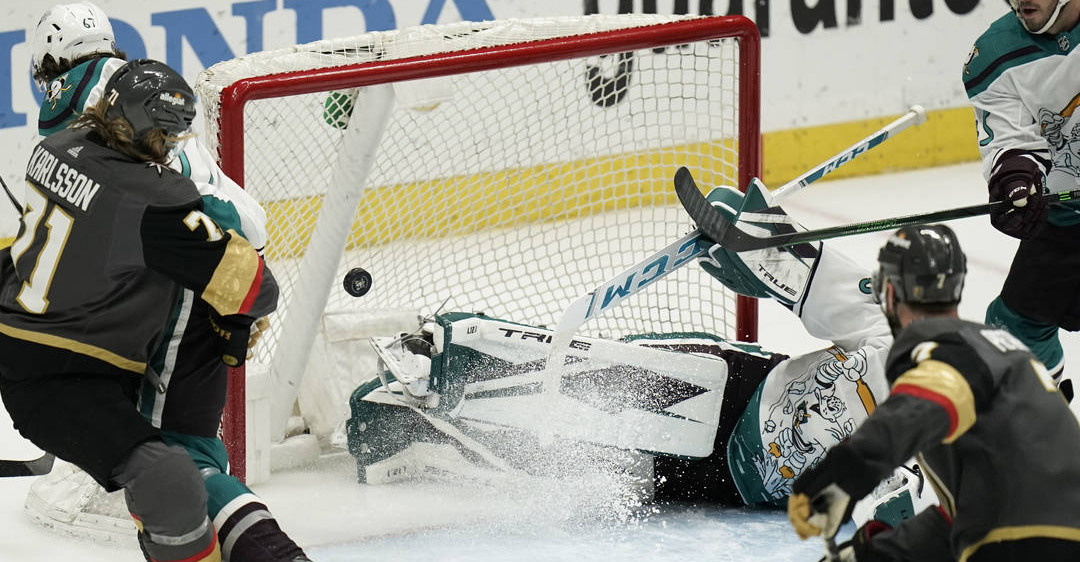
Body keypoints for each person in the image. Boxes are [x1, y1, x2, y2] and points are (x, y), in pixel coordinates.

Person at [0, 58, 362, 562]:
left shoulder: (56, 146)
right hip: (70, 368)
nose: (168, 146)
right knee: (175, 467)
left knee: (187, 457)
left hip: (25, 327)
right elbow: (256, 287)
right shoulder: (157, 203)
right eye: (162, 134)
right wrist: (232, 318)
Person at [346, 179, 932, 525]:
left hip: (725, 475)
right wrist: (756, 246)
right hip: (737, 407)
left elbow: (893, 512)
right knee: (600, 396)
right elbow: (812, 279)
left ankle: (413, 412)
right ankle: (433, 374)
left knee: (576, 450)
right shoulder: (904, 338)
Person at [29, 1, 278, 562]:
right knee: (169, 433)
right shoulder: (133, 84)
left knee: (163, 445)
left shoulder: (79, 105)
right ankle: (184, 554)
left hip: (190, 278)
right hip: (215, 267)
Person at [787, 223, 1080, 562]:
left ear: (888, 292)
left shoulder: (940, 352)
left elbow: (927, 404)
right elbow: (986, 510)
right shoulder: (994, 348)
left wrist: (845, 473)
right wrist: (879, 553)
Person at [963, 0, 1080, 394]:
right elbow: (1011, 138)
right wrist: (1015, 179)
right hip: (1068, 215)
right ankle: (1045, 428)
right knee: (1013, 332)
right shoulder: (996, 54)